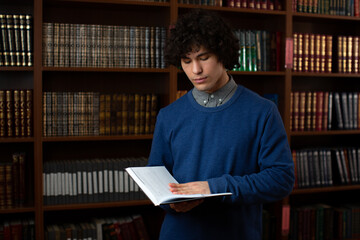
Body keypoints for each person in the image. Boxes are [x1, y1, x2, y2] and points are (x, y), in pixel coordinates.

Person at [147, 8, 294, 240]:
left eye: (203, 58)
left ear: (222, 54)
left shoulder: (263, 111)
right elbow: (156, 182)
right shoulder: (169, 116)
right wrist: (173, 203)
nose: (196, 70)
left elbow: (281, 179)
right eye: (187, 61)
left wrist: (213, 188)